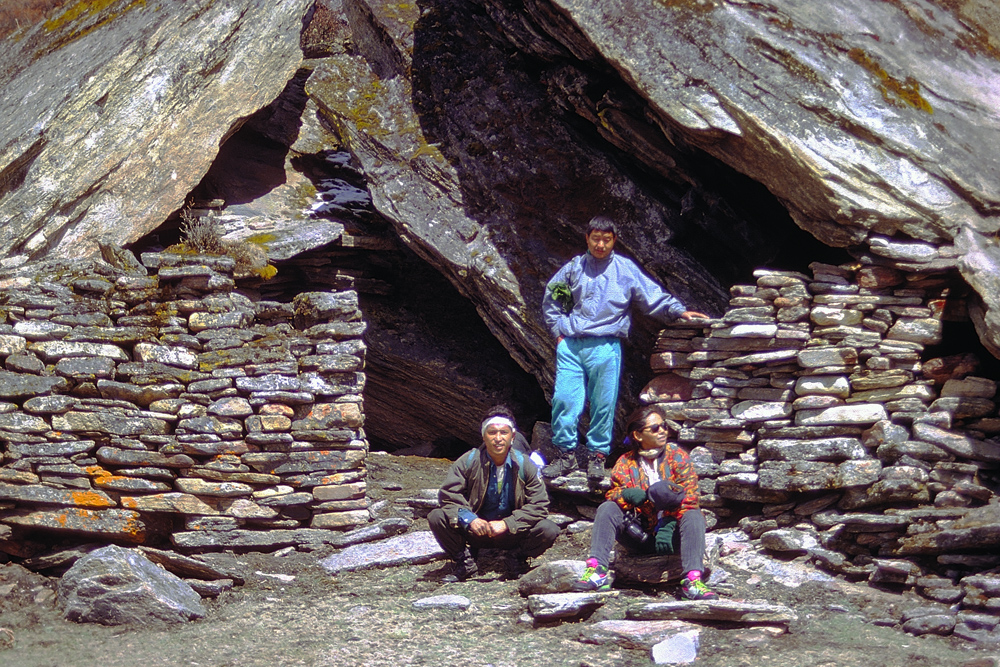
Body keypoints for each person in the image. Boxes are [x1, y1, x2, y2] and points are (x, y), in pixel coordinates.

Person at [541, 215, 709, 479]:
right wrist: (558, 333)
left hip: (607, 345)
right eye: (595, 238)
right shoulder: (573, 269)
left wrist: (678, 311)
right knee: (564, 399)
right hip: (571, 346)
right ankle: (565, 456)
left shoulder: (624, 269)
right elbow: (553, 300)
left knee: (603, 403)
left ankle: (597, 457)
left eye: (606, 240)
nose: (600, 244)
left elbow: (651, 296)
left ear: (614, 240)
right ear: (587, 238)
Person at [571, 405, 717, 600]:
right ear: (638, 435)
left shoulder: (677, 456)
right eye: (655, 428)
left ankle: (692, 580)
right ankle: (597, 570)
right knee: (607, 508)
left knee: (693, 515)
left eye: (664, 426)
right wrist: (629, 495)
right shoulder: (625, 462)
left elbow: (690, 495)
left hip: (671, 537)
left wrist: (669, 521)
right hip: (639, 535)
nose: (663, 431)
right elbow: (613, 494)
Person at [428, 405, 560, 581]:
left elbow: (539, 504)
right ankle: (465, 561)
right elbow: (448, 495)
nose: (498, 438)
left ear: (512, 437)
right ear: (484, 436)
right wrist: (470, 519)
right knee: (437, 517)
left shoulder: (525, 464)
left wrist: (508, 523)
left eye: (503, 433)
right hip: (476, 531)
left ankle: (516, 558)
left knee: (548, 529)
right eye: (492, 433)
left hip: (511, 532)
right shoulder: (468, 461)